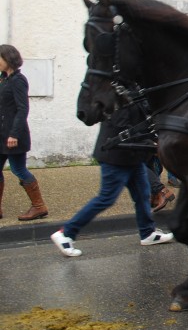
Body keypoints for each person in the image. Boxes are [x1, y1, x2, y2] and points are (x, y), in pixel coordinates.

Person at [51, 103, 174, 257]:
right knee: (106, 198)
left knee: (142, 193)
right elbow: (123, 128)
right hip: (115, 155)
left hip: (132, 155)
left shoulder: (133, 88)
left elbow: (145, 115)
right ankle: (66, 233)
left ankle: (148, 233)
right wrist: (151, 143)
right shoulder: (119, 93)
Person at [0, 44, 49, 221]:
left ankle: (39, 206)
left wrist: (14, 134)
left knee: (18, 169)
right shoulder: (4, 79)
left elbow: (22, 109)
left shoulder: (18, 80)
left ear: (8, 59)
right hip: (2, 135)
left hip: (14, 136)